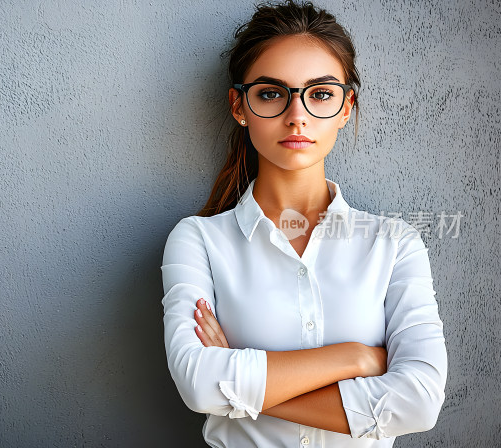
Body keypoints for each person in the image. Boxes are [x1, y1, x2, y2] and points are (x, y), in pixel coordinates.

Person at [159, 1, 447, 446]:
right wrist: (356, 358)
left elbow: (419, 402)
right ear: (240, 105)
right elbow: (198, 385)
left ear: (346, 106)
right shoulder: (198, 241)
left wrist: (240, 381)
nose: (297, 115)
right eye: (272, 93)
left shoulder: (395, 244)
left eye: (321, 93)